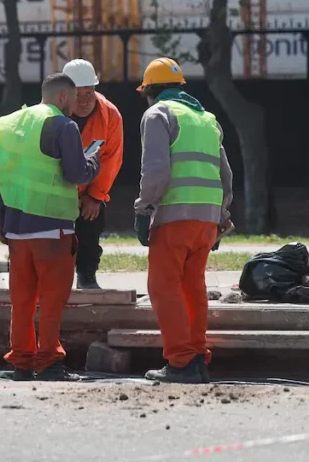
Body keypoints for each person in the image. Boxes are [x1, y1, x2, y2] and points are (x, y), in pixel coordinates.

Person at [0, 73, 101, 382]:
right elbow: (76, 173)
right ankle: (50, 362)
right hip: (52, 228)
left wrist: (0, 219)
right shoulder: (63, 125)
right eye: (73, 100)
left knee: (22, 301)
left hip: (16, 229)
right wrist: (94, 162)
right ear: (63, 98)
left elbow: (1, 175)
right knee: (52, 301)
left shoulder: (12, 124)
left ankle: (22, 363)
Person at [134, 58, 233, 384]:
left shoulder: (158, 115)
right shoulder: (207, 119)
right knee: (192, 286)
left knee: (163, 286)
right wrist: (221, 217)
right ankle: (197, 357)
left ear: (150, 91)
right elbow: (225, 174)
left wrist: (144, 209)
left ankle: (180, 362)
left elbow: (156, 172)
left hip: (175, 216)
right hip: (206, 219)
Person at [61, 59, 124, 290]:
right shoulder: (50, 114)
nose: (86, 100)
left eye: (90, 92)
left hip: (88, 189)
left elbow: (111, 159)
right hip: (56, 190)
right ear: (65, 93)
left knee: (91, 223)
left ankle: (87, 275)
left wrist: (95, 196)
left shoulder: (110, 115)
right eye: (80, 94)